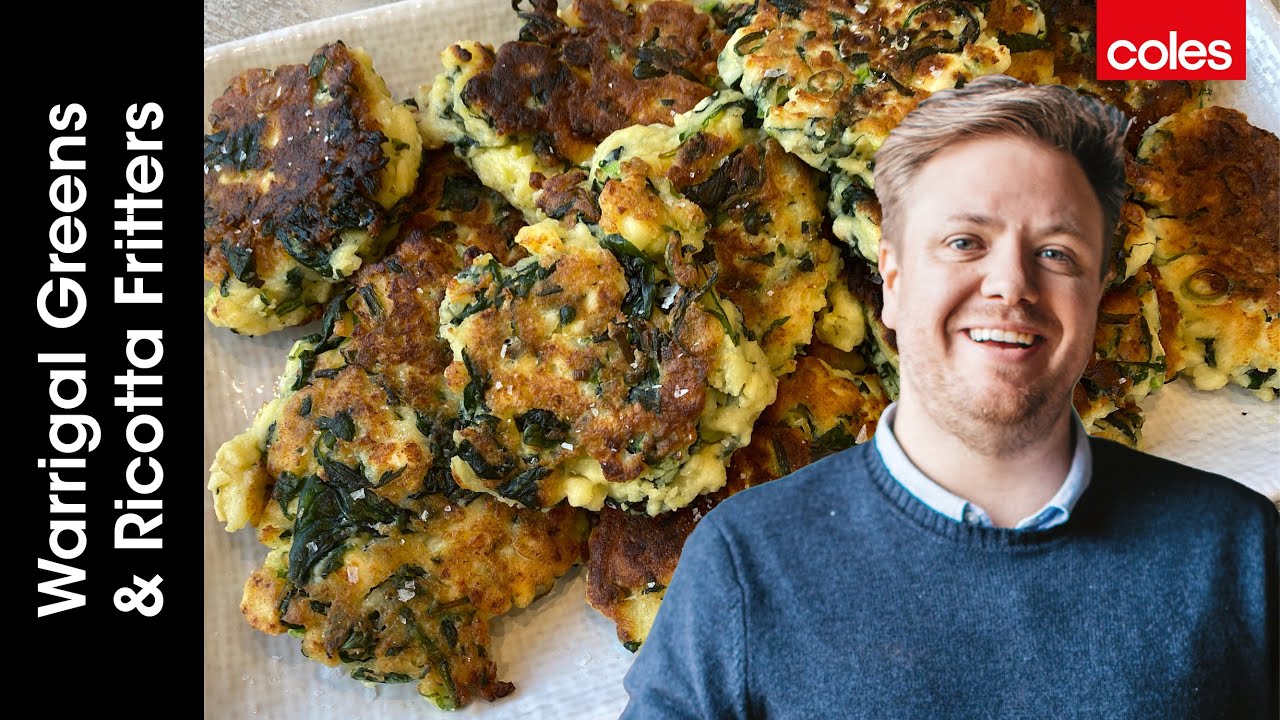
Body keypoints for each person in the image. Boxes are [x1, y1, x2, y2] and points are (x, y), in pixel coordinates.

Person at [619, 75, 1278, 719]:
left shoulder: (1238, 546)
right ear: (893, 280)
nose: (1010, 285)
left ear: (1103, 292)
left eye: (1056, 253)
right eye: (965, 242)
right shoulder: (740, 561)